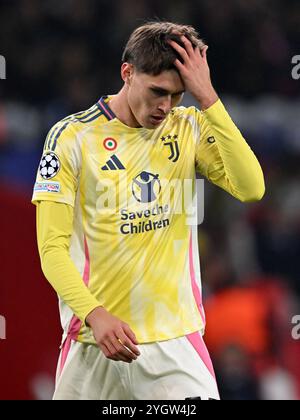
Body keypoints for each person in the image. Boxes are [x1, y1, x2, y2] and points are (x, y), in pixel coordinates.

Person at [32, 21, 265, 400]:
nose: (165, 107)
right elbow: (51, 250)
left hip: (175, 345)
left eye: (177, 95)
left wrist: (208, 99)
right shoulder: (71, 138)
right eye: (157, 91)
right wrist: (95, 314)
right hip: (94, 345)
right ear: (127, 72)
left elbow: (251, 186)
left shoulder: (187, 126)